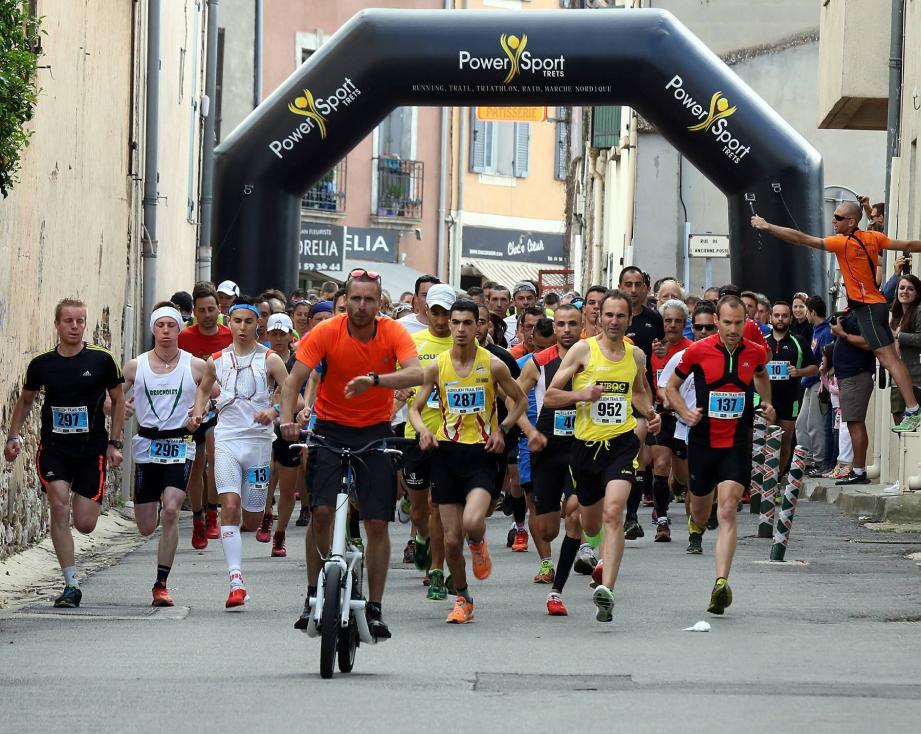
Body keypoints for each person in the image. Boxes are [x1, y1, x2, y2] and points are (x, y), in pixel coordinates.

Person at [281, 269, 422, 639]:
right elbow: (294, 379)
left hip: (375, 433)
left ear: (380, 303)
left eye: (369, 300)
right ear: (346, 300)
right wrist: (286, 421)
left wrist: (375, 381)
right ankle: (314, 594)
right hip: (329, 429)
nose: (361, 306)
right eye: (355, 299)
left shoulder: (392, 332)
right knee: (322, 512)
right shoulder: (327, 331)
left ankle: (375, 607)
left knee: (377, 522)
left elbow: (416, 375)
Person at [752, 201, 921, 431]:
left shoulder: (842, 243)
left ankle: (913, 409)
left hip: (867, 308)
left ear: (851, 221)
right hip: (876, 305)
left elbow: (801, 238)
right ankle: (913, 408)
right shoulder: (873, 237)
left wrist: (768, 226)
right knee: (891, 358)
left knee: (889, 359)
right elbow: (910, 244)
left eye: (838, 217)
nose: (833, 220)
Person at [544, 290, 660, 623]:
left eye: (620, 316)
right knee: (588, 522)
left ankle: (607, 591)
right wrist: (582, 394)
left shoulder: (635, 355)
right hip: (585, 449)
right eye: (608, 315)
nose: (614, 321)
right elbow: (551, 395)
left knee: (614, 513)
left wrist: (651, 413)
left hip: (621, 444)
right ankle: (591, 559)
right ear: (598, 317)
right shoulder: (583, 350)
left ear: (628, 319)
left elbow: (637, 391)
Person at [408, 300, 527, 624]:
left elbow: (520, 400)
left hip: (481, 455)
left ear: (479, 326)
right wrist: (423, 432)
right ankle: (463, 598)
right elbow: (415, 409)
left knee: (472, 523)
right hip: (446, 454)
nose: (459, 329)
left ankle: (478, 544)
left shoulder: (493, 364)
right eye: (455, 322)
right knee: (449, 540)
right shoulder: (437, 366)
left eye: (466, 323)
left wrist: (502, 429)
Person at [4, 298, 125, 608]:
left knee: (85, 523)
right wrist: (14, 435)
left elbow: (118, 400)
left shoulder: (102, 360)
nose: (74, 326)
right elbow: (27, 400)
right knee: (58, 506)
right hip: (55, 448)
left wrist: (114, 443)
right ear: (57, 325)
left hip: (91, 450)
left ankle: (74, 553)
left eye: (80, 321)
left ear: (85, 324)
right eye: (68, 321)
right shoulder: (42, 363)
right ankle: (71, 584)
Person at [665, 295, 773, 615]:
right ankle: (696, 521)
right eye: (727, 323)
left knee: (727, 510)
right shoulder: (697, 351)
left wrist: (765, 402)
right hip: (702, 443)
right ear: (716, 320)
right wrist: (685, 412)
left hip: (737, 443)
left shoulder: (755, 352)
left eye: (739, 323)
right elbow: (670, 387)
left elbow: (762, 376)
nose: (733, 329)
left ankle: (721, 583)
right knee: (700, 511)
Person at [190, 296, 289, 609]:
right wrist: (197, 411)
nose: (243, 327)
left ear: (257, 323)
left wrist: (274, 412)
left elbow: (290, 392)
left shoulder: (271, 359)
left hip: (259, 444)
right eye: (237, 321)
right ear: (227, 323)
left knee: (252, 516)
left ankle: (263, 512)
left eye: (249, 321)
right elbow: (204, 388)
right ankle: (236, 581)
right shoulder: (215, 360)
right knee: (229, 506)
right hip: (228, 440)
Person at [122, 303, 206, 606]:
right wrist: (119, 406)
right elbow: (112, 400)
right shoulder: (135, 366)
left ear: (179, 329)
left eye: (172, 325)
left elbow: (214, 395)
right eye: (161, 326)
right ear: (153, 330)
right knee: (146, 526)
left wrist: (200, 411)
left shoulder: (195, 366)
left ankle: (161, 584)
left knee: (171, 510)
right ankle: (153, 506)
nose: (167, 331)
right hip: (146, 445)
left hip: (180, 445)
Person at [512, 305, 584, 614]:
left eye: (573, 324)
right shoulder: (537, 363)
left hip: (582, 444)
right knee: (546, 529)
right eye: (562, 325)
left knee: (577, 509)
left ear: (583, 326)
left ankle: (561, 586)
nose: (567, 330)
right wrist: (529, 431)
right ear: (554, 330)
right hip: (547, 447)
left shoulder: (591, 358)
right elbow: (511, 398)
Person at [400, 283, 456, 600]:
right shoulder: (414, 343)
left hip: (452, 438)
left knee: (438, 506)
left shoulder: (464, 344)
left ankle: (436, 570)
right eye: (435, 312)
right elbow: (399, 380)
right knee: (419, 509)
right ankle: (421, 537)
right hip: (416, 435)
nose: (441, 319)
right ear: (426, 311)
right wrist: (400, 391)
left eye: (446, 313)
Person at [178, 282, 233, 548]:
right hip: (192, 409)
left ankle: (213, 513)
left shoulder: (229, 336)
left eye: (212, 308)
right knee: (196, 465)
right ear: (195, 312)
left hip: (221, 407)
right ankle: (198, 519)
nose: (208, 314)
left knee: (214, 455)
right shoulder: (184, 338)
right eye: (202, 310)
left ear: (219, 309)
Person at [618, 266, 663, 539]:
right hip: (610, 394)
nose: (633, 290)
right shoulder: (613, 316)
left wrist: (660, 351)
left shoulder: (654, 319)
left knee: (636, 454)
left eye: (638, 284)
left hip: (640, 391)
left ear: (645, 288)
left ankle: (631, 516)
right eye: (628, 284)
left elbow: (662, 351)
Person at [648, 298, 693, 541]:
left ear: (685, 324)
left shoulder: (692, 350)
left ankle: (678, 487)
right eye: (668, 321)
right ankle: (663, 521)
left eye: (678, 321)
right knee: (660, 466)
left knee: (683, 477)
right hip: (663, 415)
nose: (672, 325)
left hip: (684, 417)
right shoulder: (654, 348)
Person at [260, 313, 303, 557]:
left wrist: (279, 409)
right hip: (263, 427)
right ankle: (266, 515)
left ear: (290, 336)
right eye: (273, 333)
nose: (277, 338)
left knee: (287, 486)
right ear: (267, 335)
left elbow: (300, 400)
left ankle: (280, 533)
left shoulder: (299, 361)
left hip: (289, 426)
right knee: (267, 474)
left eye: (282, 334)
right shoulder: (261, 359)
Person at [765, 301, 818, 475]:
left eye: (784, 316)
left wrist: (798, 371)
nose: (780, 319)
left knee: (784, 442)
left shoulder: (799, 341)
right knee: (765, 442)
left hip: (790, 399)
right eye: (777, 315)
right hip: (765, 401)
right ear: (770, 317)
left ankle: (777, 480)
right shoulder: (762, 342)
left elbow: (814, 368)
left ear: (790, 318)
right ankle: (761, 481)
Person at [829, 310, 875, 485]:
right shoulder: (853, 313)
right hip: (848, 377)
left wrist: (843, 334)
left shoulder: (865, 315)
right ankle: (857, 470)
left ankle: (858, 471)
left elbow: (868, 343)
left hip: (855, 377)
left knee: (855, 423)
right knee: (852, 423)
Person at [796, 296, 833, 474]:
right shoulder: (816, 330)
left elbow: (826, 359)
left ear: (812, 312)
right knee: (802, 423)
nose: (804, 314)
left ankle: (818, 461)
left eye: (805, 310)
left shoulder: (825, 332)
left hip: (818, 382)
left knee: (815, 424)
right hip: (809, 382)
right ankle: (805, 459)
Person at [889, 274, 921, 422]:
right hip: (897, 378)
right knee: (898, 420)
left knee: (911, 427)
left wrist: (898, 335)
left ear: (917, 293)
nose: (905, 292)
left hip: (914, 378)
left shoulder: (919, 311)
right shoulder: (896, 316)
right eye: (901, 288)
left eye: (910, 289)